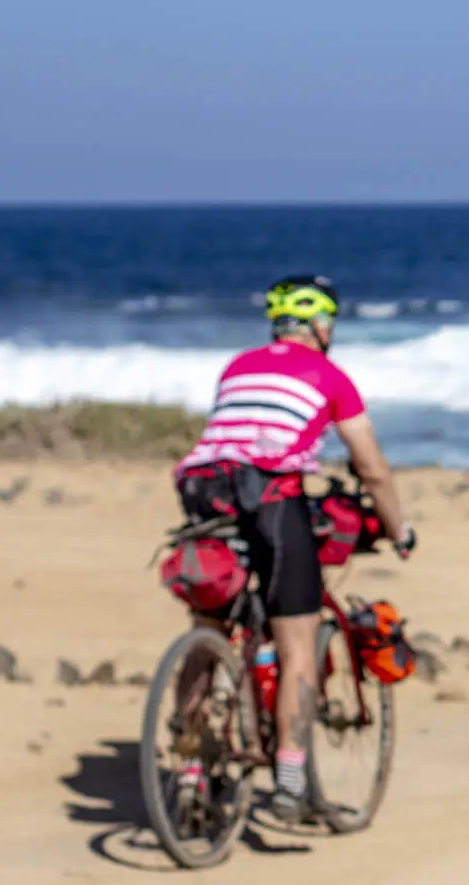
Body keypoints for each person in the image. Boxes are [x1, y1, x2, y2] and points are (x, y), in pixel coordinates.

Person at [173, 276, 415, 822]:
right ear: (321, 326)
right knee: (297, 639)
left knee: (207, 627)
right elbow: (372, 468)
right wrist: (399, 530)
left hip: (201, 487)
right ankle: (287, 781)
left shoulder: (238, 366)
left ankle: (188, 768)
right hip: (272, 496)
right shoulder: (330, 375)